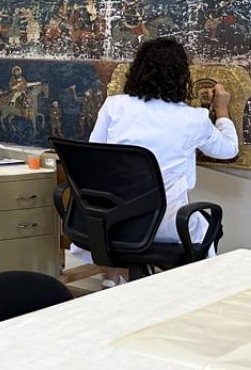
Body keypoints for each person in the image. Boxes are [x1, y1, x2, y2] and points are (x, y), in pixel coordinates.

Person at [82, 37, 239, 286]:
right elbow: (228, 150)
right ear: (182, 77)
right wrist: (221, 109)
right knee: (209, 228)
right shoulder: (193, 119)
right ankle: (184, 290)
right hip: (167, 224)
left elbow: (94, 155)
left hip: (113, 221)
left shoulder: (115, 106)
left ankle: (113, 277)